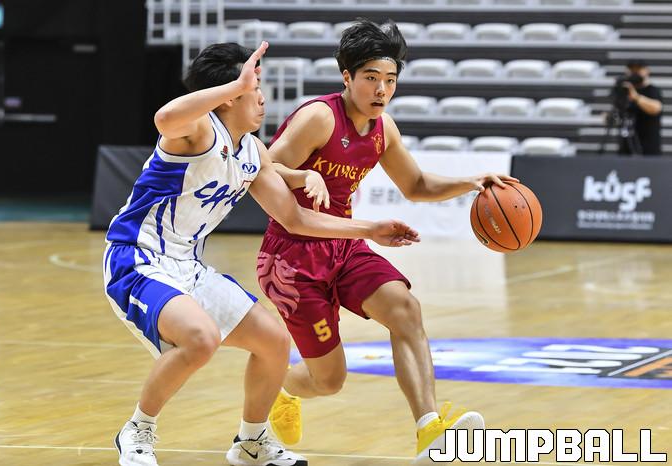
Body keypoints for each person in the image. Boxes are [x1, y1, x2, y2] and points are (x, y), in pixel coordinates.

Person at [102, 40, 420, 466]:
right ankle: (138, 429)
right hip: (137, 259)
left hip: (188, 265)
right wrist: (235, 84)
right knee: (201, 338)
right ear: (230, 95)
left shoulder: (252, 151)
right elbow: (164, 117)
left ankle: (251, 441)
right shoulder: (198, 132)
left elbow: (296, 219)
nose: (263, 97)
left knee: (273, 341)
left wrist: (370, 229)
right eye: (255, 89)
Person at [257, 19, 517, 464]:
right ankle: (284, 387)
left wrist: (471, 182)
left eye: (390, 80)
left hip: (344, 246)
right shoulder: (319, 118)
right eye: (371, 78)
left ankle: (429, 429)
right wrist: (302, 176)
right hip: (291, 259)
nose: (381, 90)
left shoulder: (383, 129)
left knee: (405, 309)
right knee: (329, 381)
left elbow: (415, 184)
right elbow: (261, 168)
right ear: (347, 77)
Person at [617, 59, 663, 156]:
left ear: (646, 71)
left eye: (638, 69)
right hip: (626, 146)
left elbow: (656, 108)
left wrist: (636, 97)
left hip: (648, 147)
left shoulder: (652, 90)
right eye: (632, 70)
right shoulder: (624, 91)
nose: (635, 73)